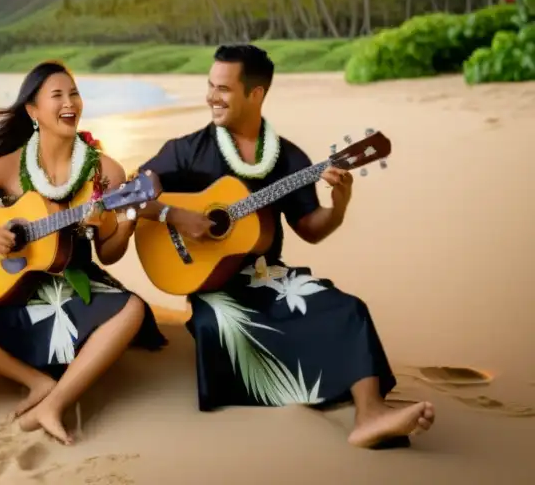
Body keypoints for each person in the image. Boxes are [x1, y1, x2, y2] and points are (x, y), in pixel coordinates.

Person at [135, 44, 435, 449]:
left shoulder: (289, 158)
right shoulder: (186, 150)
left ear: (255, 94)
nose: (211, 96)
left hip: (267, 276)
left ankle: (371, 413)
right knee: (216, 327)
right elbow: (132, 195)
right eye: (209, 85)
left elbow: (311, 229)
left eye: (222, 88)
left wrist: (340, 205)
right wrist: (177, 216)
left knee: (347, 308)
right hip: (212, 284)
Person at [0, 61, 166, 445]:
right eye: (57, 95)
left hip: (77, 293)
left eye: (74, 93)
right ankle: (35, 381)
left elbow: (110, 254)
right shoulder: (8, 167)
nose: (69, 102)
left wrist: (120, 222)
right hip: (15, 294)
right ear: (33, 111)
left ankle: (55, 403)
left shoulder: (105, 172)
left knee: (133, 310)